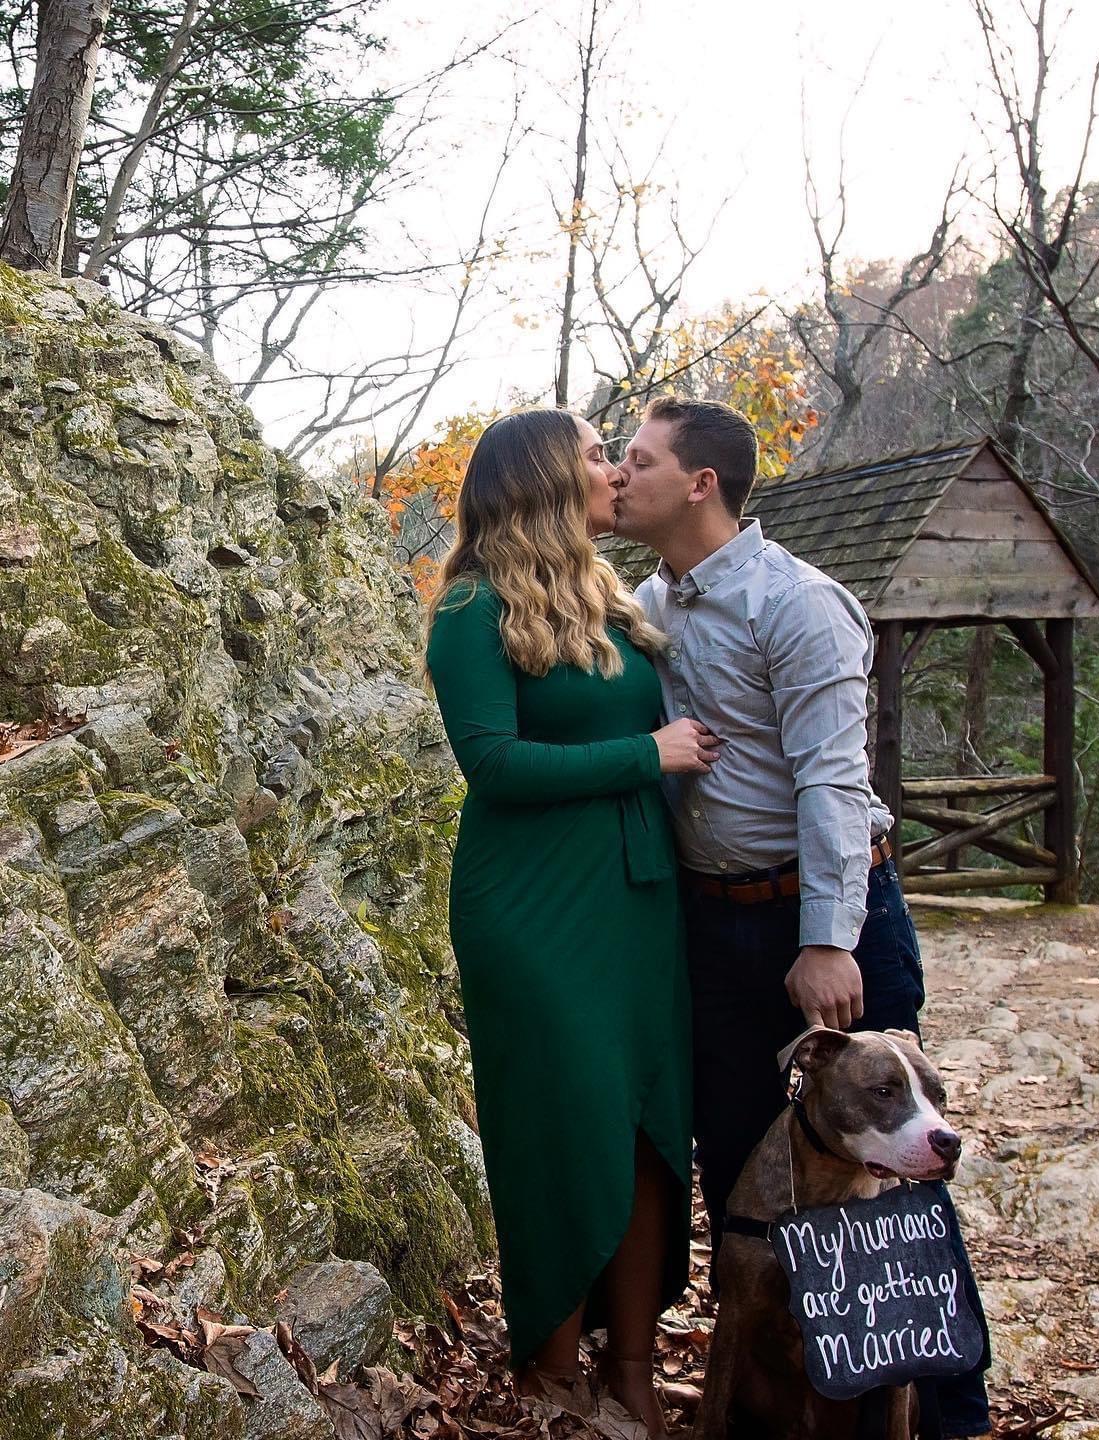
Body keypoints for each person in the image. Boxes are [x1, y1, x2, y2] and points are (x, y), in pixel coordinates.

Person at [612, 396, 993, 1440]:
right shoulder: (649, 601)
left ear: (700, 485)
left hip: (825, 914)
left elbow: (833, 778)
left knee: (895, 1183)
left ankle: (950, 1417)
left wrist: (827, 939)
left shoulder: (800, 603)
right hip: (713, 927)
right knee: (748, 1180)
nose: (616, 476)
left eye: (636, 461)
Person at [424, 407, 720, 1436]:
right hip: (535, 913)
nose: (614, 469)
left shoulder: (616, 600)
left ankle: (633, 1370)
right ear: (546, 478)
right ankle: (553, 1368)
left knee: (648, 1130)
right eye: (598, 455)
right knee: (561, 1123)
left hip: (639, 903)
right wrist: (651, 755)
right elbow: (494, 766)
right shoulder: (469, 609)